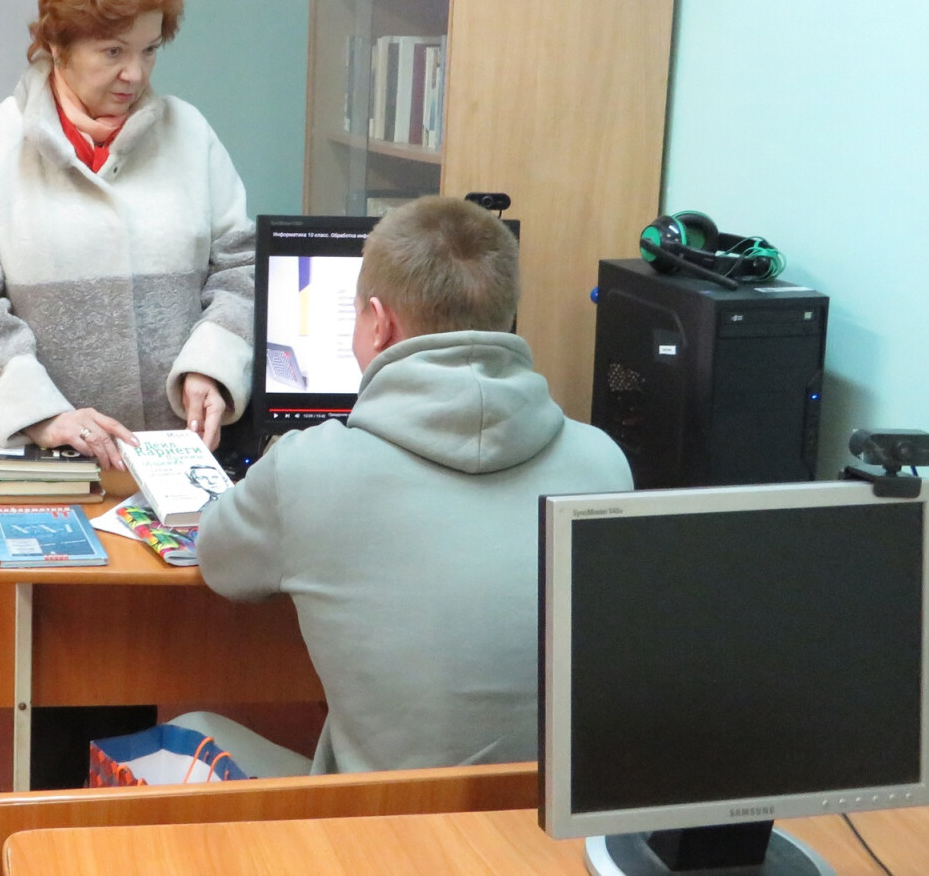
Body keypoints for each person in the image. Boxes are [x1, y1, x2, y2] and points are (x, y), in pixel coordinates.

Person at [0, 0, 255, 786]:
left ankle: (118, 828)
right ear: (56, 45)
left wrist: (212, 367)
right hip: (41, 469)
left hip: (159, 467)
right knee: (50, 686)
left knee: (134, 674)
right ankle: (52, 830)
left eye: (149, 50)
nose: (134, 74)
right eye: (112, 51)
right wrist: (43, 414)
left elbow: (242, 270)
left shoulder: (191, 136)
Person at [194, 196, 633, 775]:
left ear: (379, 324)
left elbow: (218, 562)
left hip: (385, 820)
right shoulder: (604, 465)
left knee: (192, 728)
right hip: (547, 819)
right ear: (506, 317)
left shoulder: (307, 467)